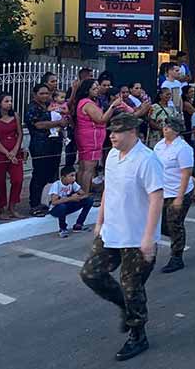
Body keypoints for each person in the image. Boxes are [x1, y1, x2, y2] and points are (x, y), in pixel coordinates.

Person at [80, 113, 164, 362]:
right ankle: (125, 307)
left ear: (132, 132)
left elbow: (156, 198)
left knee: (132, 287)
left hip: (136, 237)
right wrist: (99, 220)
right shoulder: (113, 155)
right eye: (110, 131)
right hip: (112, 231)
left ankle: (138, 334)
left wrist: (148, 238)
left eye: (117, 132)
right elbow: (109, 188)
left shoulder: (147, 160)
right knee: (91, 274)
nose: (112, 136)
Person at [153, 116, 194, 274]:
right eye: (164, 126)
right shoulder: (159, 146)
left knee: (174, 224)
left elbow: (186, 173)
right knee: (164, 225)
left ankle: (177, 257)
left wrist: (179, 197)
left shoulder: (183, 148)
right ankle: (179, 238)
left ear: (176, 131)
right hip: (163, 191)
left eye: (168, 127)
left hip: (178, 192)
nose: (165, 129)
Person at [72, 80, 122, 197]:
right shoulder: (87, 103)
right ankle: (85, 194)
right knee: (88, 168)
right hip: (91, 138)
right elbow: (101, 119)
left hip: (87, 137)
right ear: (87, 90)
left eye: (97, 88)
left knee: (84, 167)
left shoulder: (86, 102)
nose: (97, 91)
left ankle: (81, 192)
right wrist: (113, 106)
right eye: (94, 89)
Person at [25, 83, 68, 217]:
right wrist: (57, 123)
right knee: (39, 174)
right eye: (41, 93)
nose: (45, 96)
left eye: (47, 93)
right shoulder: (32, 107)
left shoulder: (52, 105)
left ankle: (50, 201)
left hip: (55, 144)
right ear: (35, 94)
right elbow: (38, 124)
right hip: (40, 145)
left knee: (53, 173)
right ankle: (35, 204)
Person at [0, 92, 25, 219]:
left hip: (14, 150)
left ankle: (12, 206)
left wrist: (14, 150)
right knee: (0, 181)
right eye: (6, 101)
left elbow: (20, 134)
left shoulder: (15, 115)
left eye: (11, 101)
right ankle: (1, 208)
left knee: (17, 179)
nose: (10, 104)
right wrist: (6, 153)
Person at [48, 165, 93, 238]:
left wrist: (78, 196)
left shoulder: (73, 184)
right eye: (71, 176)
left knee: (89, 200)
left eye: (74, 176)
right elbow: (54, 202)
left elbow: (84, 194)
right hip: (56, 209)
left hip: (68, 206)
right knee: (62, 206)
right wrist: (70, 198)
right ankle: (63, 229)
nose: (74, 178)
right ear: (63, 177)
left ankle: (79, 224)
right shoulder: (56, 185)